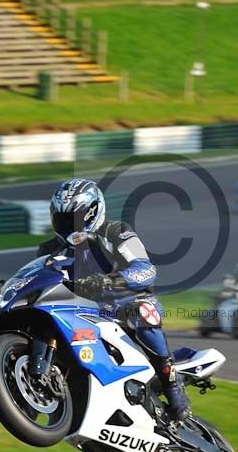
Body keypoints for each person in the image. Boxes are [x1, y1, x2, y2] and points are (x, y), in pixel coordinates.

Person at [37, 178, 190, 421]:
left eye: (74, 217)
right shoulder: (49, 250)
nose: (67, 224)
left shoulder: (116, 232)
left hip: (121, 305)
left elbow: (145, 269)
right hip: (78, 309)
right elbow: (39, 276)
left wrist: (109, 281)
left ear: (93, 212)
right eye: (63, 218)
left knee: (142, 311)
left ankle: (171, 383)